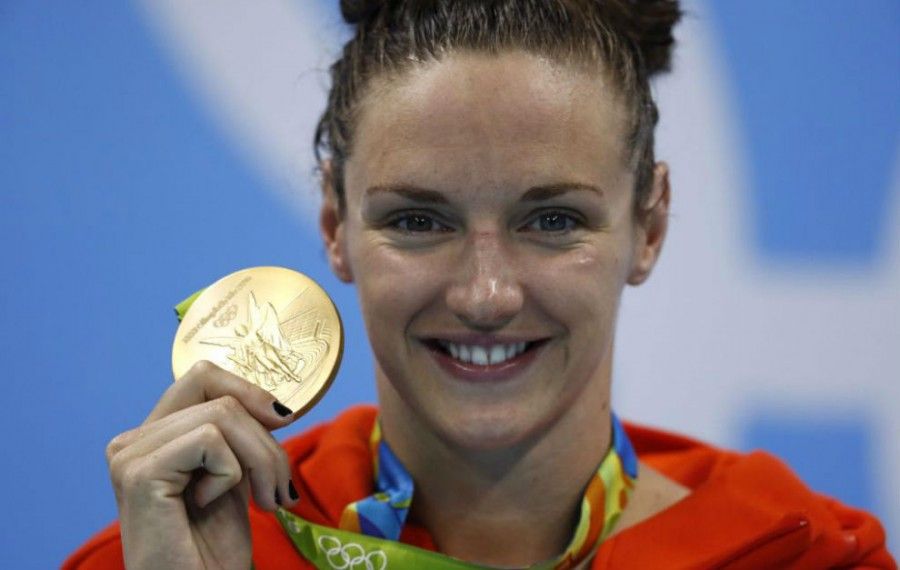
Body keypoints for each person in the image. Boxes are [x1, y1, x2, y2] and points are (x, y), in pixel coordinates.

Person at [64, 1, 895, 568]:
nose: (485, 295)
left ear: (649, 226)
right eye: (419, 221)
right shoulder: (170, 554)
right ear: (334, 225)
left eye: (554, 220)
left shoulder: (801, 557)